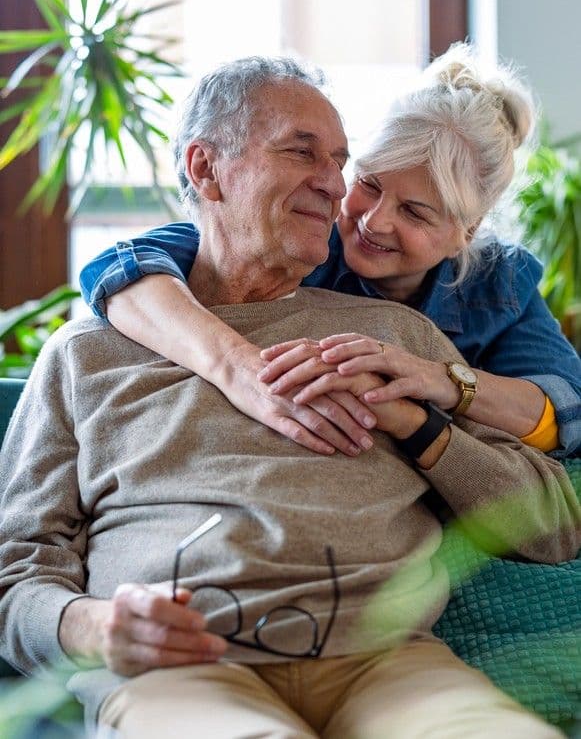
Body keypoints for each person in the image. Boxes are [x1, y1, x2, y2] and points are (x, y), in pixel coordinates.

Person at [1, 57, 579, 739]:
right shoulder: (90, 351)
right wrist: (93, 626)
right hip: (184, 671)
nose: (339, 192)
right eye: (305, 154)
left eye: (337, 161)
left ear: (462, 235)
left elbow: (555, 513)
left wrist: (422, 423)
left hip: (388, 666)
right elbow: (17, 569)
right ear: (206, 169)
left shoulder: (398, 337)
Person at [79, 44, 581, 460]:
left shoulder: (498, 284)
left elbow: (568, 411)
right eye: (367, 183)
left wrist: (442, 380)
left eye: (414, 213)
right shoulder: (305, 241)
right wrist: (237, 367)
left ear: (465, 233)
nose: (372, 220)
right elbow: (121, 270)